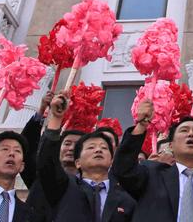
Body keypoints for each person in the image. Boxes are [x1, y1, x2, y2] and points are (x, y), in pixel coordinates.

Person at [112, 100, 193, 222]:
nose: (191, 134)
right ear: (171, 145)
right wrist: (141, 125)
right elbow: (122, 169)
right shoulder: (151, 175)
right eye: (184, 130)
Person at [37, 92, 135, 222]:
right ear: (77, 162)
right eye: (91, 147)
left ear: (111, 159)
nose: (98, 149)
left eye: (104, 148)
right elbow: (46, 162)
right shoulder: (65, 187)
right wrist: (56, 118)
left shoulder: (126, 198)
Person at [26, 128, 86, 222]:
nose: (71, 148)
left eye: (78, 145)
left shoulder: (90, 187)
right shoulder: (41, 178)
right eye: (67, 143)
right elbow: (29, 149)